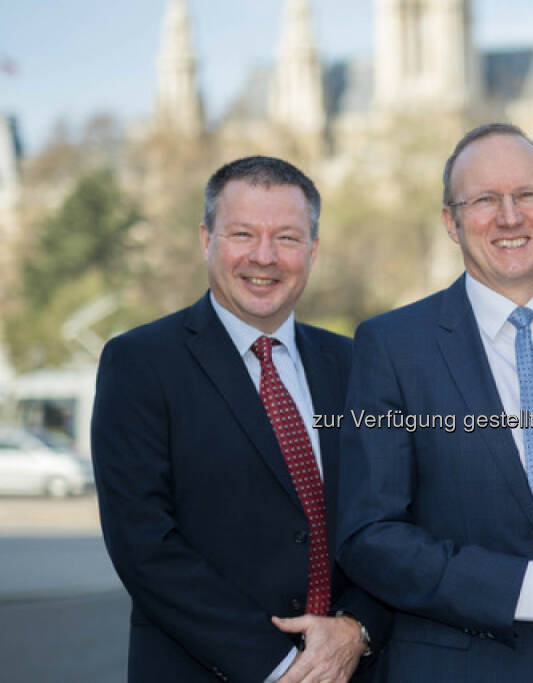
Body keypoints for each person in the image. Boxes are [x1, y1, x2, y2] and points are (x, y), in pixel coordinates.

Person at [337, 123, 533, 682]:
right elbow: (369, 535)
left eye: (526, 195)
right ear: (450, 222)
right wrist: (527, 590)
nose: (509, 217)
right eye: (484, 199)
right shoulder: (392, 348)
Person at [92, 156, 388, 682]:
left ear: (313, 251)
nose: (264, 257)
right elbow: (144, 545)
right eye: (243, 234)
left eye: (288, 239)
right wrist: (284, 668)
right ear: (206, 240)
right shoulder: (139, 363)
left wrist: (357, 625)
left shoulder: (357, 364)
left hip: (351, 668)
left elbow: (392, 515)